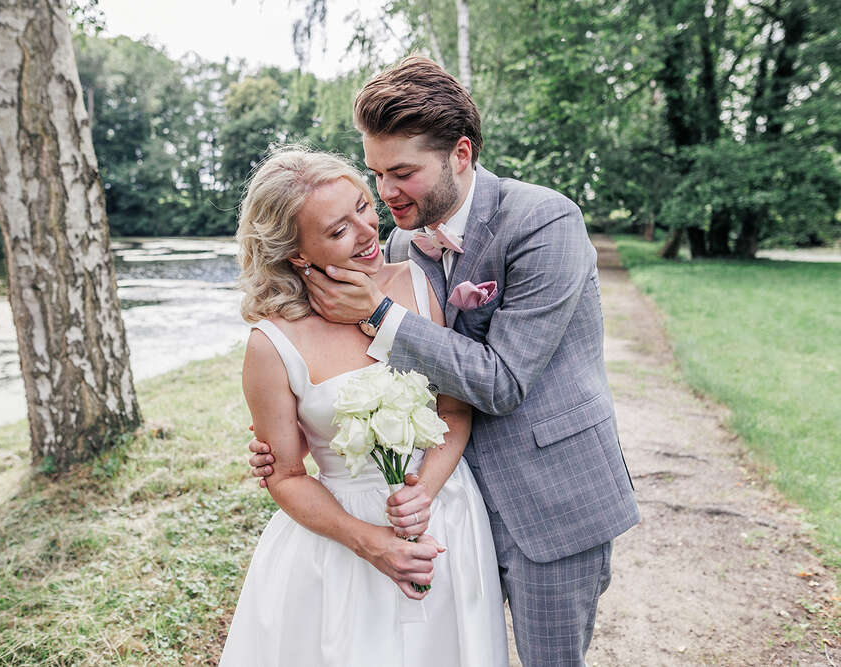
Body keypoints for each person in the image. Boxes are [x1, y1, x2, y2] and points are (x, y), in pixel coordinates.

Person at [248, 56, 640, 665]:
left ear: (460, 153)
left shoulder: (546, 221)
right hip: (451, 509)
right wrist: (295, 438)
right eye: (376, 174)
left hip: (550, 497)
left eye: (401, 173)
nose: (384, 196)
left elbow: (502, 381)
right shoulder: (401, 242)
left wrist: (378, 315)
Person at [219, 147, 510, 666]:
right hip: (342, 540)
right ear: (298, 254)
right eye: (337, 231)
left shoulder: (416, 285)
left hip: (445, 515)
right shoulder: (271, 343)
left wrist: (426, 492)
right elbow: (284, 474)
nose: (366, 230)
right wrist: (371, 543)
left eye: (361, 206)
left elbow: (454, 411)